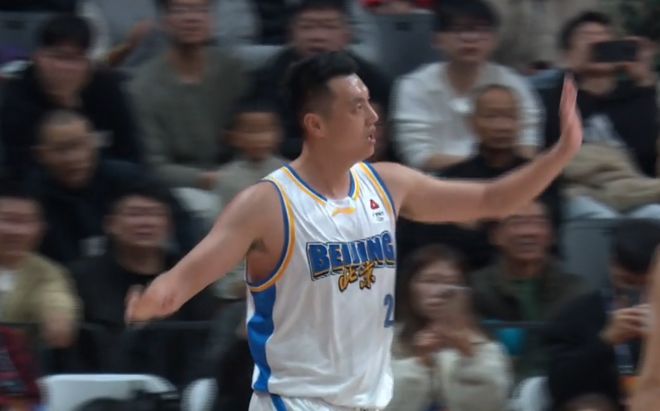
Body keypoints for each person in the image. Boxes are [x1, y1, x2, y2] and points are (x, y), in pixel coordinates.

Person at [125, 51, 582, 410]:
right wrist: (150, 300)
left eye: (370, 104)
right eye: (357, 107)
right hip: (295, 402)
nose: (373, 117)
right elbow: (184, 280)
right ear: (316, 124)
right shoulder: (267, 205)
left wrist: (560, 153)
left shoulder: (389, 184)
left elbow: (492, 200)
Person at [396, 84, 561, 270]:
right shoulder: (451, 179)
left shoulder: (539, 176)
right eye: (492, 116)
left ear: (520, 122)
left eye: (509, 116)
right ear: (472, 122)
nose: (502, 126)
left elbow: (550, 236)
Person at [70, 181, 216, 376]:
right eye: (135, 214)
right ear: (110, 224)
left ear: (169, 226)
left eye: (156, 214)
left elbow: (205, 346)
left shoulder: (190, 276)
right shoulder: (82, 278)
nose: (146, 223)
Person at [27, 110, 199, 264]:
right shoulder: (33, 196)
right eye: (61, 150)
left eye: (79, 145)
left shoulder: (128, 178)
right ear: (41, 154)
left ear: (94, 144)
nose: (73, 158)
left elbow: (179, 217)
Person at [391, 0, 542, 172]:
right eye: (458, 29)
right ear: (436, 39)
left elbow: (527, 148)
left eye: (481, 30)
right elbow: (419, 157)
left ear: (495, 39)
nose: (470, 38)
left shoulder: (513, 84)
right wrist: (484, 166)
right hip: (436, 182)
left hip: (506, 180)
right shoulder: (414, 86)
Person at [539, 11, 659, 220]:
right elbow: (552, 147)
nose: (598, 41)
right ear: (568, 54)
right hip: (584, 195)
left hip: (636, 191)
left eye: (604, 36)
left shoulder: (638, 95)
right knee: (597, 218)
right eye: (587, 36)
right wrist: (570, 73)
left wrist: (644, 81)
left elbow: (647, 152)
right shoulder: (555, 98)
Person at [0, 14, 143, 179]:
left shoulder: (107, 87)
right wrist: (63, 105)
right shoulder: (18, 94)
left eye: (75, 59)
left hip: (105, 184)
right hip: (42, 186)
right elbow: (19, 167)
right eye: (58, 57)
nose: (65, 67)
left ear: (88, 62)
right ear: (38, 58)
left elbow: (132, 154)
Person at [130, 0, 248, 190]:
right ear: (164, 21)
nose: (191, 18)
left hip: (238, 173)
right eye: (180, 10)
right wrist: (207, 179)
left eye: (201, 9)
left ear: (212, 19)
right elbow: (154, 165)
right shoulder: (143, 86)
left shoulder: (232, 70)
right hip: (181, 186)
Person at [545, 219, 660, 410]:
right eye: (628, 283)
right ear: (612, 265)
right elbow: (558, 387)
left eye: (648, 287)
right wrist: (605, 341)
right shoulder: (577, 314)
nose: (638, 296)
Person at [256, 0, 391, 159]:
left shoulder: (371, 79)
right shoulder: (270, 76)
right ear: (291, 34)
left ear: (347, 35)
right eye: (307, 27)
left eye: (329, 27)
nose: (318, 36)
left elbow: (381, 138)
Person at [469, 200, 586, 379]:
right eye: (517, 223)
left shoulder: (576, 291)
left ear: (552, 235)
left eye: (538, 223)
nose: (528, 232)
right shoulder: (476, 289)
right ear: (495, 235)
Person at [385, 245, 511, 411]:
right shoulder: (386, 341)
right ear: (409, 286)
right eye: (430, 281)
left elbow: (491, 405)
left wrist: (468, 353)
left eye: (453, 283)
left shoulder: (484, 347)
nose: (441, 291)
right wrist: (420, 362)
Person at [211, 98, 286, 300]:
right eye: (250, 131)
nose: (258, 138)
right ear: (234, 137)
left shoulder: (290, 173)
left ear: (278, 134)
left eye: (265, 130)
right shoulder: (227, 179)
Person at [0, 179, 79, 350]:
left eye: (24, 222)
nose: (15, 231)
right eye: (7, 220)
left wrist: (59, 316)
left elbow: (56, 297)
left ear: (40, 229)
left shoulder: (46, 273)